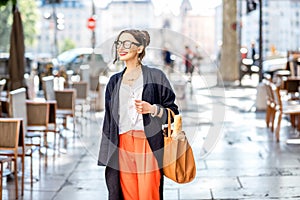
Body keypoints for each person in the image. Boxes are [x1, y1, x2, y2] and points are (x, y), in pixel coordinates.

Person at [97, 29, 179, 200]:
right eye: (119, 43)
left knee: (149, 193)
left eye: (127, 43)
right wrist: (107, 152)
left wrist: (153, 109)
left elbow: (173, 113)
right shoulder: (114, 82)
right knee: (127, 195)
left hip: (148, 144)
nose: (121, 47)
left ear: (140, 48)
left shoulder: (156, 76)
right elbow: (109, 121)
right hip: (122, 145)